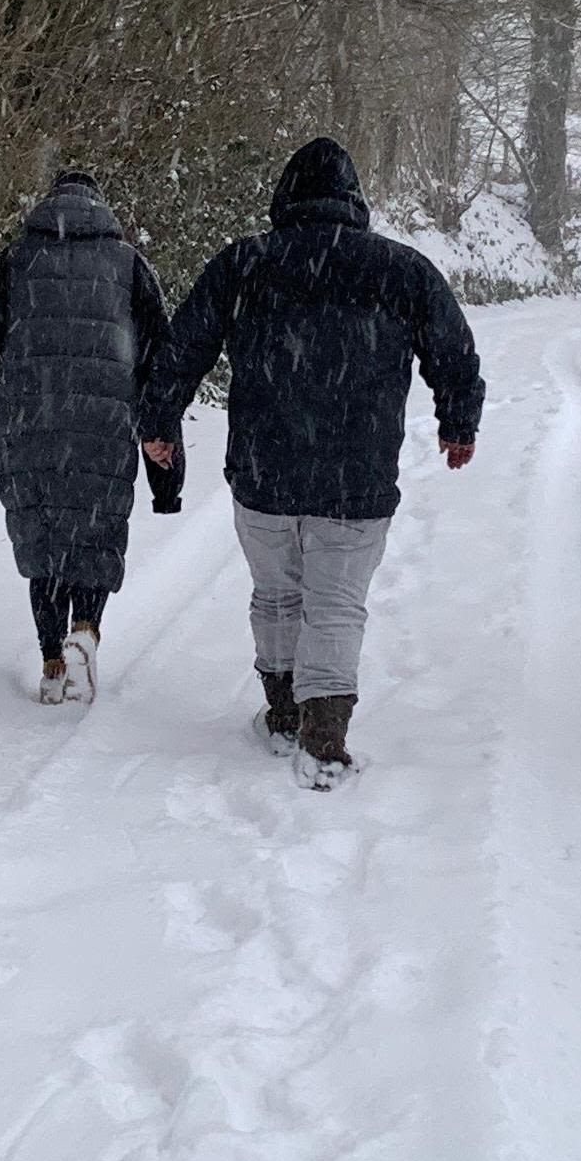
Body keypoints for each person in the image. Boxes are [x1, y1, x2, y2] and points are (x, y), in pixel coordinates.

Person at [140, 138, 481, 788]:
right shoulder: (401, 269)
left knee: (278, 594)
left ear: (285, 197)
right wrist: (458, 424)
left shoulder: (245, 263)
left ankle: (284, 711)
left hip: (265, 469)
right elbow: (453, 353)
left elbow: (183, 348)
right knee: (337, 603)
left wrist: (159, 423)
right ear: (356, 201)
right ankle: (325, 730)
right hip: (358, 474)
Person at [0, 171, 180, 705]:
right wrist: (165, 468)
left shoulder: (13, 264)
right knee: (93, 535)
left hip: (27, 425)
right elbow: (162, 368)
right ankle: (86, 630)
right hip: (104, 423)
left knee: (46, 544)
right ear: (101, 207)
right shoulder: (129, 266)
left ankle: (52, 661)